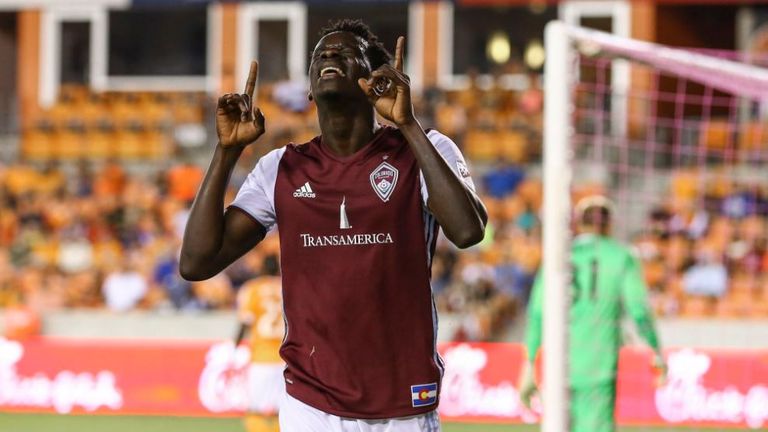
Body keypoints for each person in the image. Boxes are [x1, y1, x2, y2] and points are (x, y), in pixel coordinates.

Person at [180, 19, 487, 432]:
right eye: (320, 54)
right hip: (311, 403)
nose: (328, 55)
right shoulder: (280, 169)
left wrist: (408, 124)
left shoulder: (424, 149)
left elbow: (468, 232)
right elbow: (196, 263)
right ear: (309, 89)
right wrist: (226, 152)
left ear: (371, 80)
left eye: (345, 53)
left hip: (402, 403)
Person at [519, 195, 664, 432]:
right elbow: (639, 311)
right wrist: (656, 351)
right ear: (609, 225)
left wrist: (528, 366)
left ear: (579, 224)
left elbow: (537, 314)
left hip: (557, 367)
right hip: (598, 369)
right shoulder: (622, 256)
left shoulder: (558, 257)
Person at [235, 253, 284, 432]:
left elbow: (245, 321)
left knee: (255, 409)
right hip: (286, 357)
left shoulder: (252, 288)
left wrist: (235, 345)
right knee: (283, 409)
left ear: (262, 268)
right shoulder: (287, 286)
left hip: (262, 357)